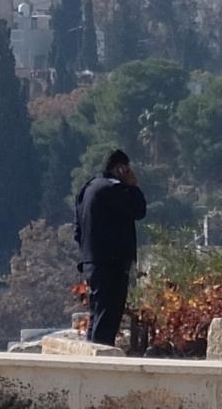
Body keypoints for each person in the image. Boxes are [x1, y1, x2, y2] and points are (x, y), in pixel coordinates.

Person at [74, 148, 147, 346]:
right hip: (112, 264)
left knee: (97, 314)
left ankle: (91, 356)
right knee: (108, 316)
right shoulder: (114, 189)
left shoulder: (86, 189)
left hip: (91, 262)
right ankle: (102, 358)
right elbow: (139, 210)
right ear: (121, 168)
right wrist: (133, 186)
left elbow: (77, 232)